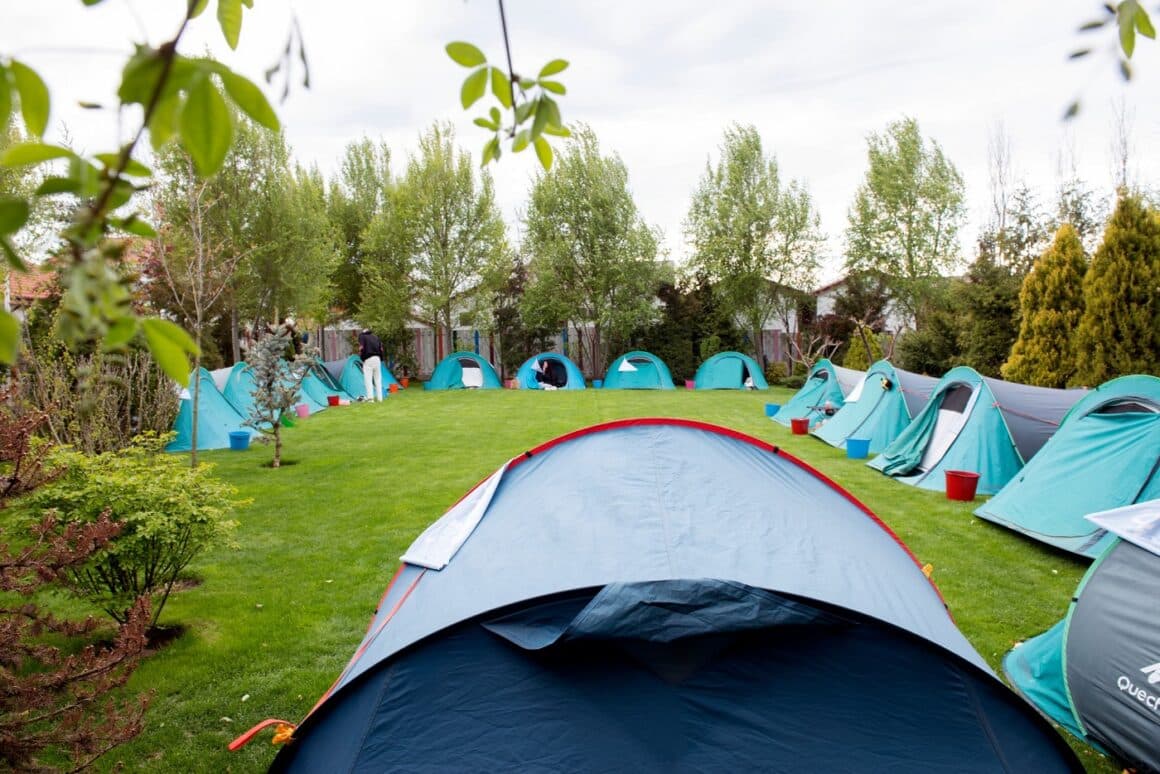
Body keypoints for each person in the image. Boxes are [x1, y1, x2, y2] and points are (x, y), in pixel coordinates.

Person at [358, 327, 384, 402]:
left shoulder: (362, 336)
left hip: (368, 359)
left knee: (368, 380)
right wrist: (381, 359)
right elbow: (381, 349)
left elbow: (361, 347)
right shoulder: (376, 337)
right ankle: (380, 399)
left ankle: (370, 399)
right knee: (378, 379)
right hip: (377, 359)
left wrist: (361, 357)